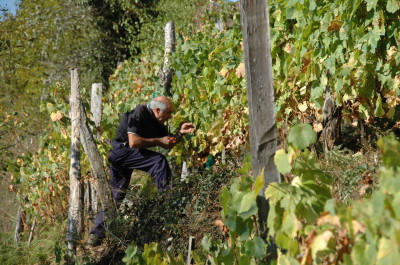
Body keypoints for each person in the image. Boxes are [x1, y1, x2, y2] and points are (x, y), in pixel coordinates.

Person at [88, 96, 195, 246]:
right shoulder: (140, 112)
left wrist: (180, 134)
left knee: (117, 194)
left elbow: (167, 143)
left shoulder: (157, 121)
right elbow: (133, 142)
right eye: (169, 112)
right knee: (159, 161)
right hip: (119, 151)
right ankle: (168, 205)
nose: (171, 116)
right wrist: (158, 141)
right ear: (157, 110)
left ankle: (96, 234)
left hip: (125, 154)